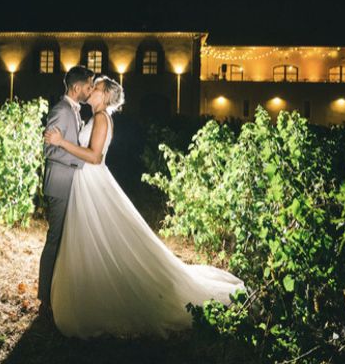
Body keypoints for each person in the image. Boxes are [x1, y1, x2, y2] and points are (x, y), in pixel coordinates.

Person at [43, 75, 246, 339]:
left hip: (92, 180)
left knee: (100, 235)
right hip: (85, 182)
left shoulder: (103, 118)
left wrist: (62, 143)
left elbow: (95, 157)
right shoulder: (96, 116)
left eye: (97, 87)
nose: (91, 90)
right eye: (92, 86)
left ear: (105, 96)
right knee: (94, 236)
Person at [37, 65, 95, 319]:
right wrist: (81, 163)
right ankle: (44, 298)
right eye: (89, 85)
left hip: (71, 183)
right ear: (76, 87)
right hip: (60, 183)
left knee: (65, 240)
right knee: (55, 240)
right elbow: (50, 151)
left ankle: (59, 292)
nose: (91, 90)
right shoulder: (61, 111)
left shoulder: (74, 111)